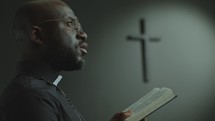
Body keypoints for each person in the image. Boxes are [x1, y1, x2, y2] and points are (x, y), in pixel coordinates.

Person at [0, 0, 146, 121]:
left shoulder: (43, 88)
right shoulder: (31, 95)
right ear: (38, 35)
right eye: (70, 24)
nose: (83, 34)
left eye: (79, 26)